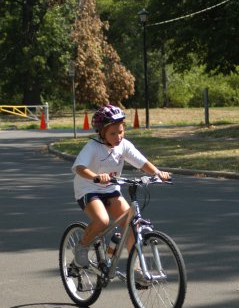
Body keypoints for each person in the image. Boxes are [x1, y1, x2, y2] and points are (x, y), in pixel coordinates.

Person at [72, 104, 170, 268]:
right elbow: (79, 168)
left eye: (121, 131)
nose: (118, 136)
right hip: (88, 189)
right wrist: (95, 177)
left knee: (132, 224)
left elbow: (142, 162)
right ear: (102, 133)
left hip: (111, 189)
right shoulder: (93, 147)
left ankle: (136, 269)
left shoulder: (124, 145)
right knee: (102, 221)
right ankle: (82, 247)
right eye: (113, 133)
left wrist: (158, 173)